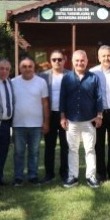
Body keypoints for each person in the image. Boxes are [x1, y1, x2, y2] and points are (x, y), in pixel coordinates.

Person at [60, 50, 103, 188]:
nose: (80, 63)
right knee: (72, 149)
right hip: (71, 121)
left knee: (90, 149)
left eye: (82, 60)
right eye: (77, 60)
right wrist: (62, 117)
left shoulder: (94, 78)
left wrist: (99, 115)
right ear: (73, 62)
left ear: (86, 61)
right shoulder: (66, 78)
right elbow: (62, 98)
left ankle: (91, 177)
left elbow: (99, 97)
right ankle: (73, 177)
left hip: (89, 121)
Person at [12, 57, 50, 185]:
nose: (27, 69)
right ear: (19, 68)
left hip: (36, 125)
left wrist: (46, 122)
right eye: (24, 66)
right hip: (18, 124)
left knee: (34, 152)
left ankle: (33, 176)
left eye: (30, 66)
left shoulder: (41, 82)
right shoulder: (13, 82)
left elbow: (45, 103)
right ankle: (18, 177)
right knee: (19, 153)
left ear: (34, 68)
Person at [90, 45, 110, 182]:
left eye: (109, 55)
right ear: (99, 58)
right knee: (99, 145)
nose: (106, 58)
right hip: (99, 114)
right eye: (103, 56)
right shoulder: (93, 72)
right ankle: (101, 174)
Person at [40, 50, 69, 183]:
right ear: (50, 61)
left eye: (59, 59)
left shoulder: (71, 75)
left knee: (65, 146)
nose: (57, 62)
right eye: (54, 59)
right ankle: (49, 174)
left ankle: (64, 173)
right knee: (49, 146)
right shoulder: (43, 77)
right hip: (49, 115)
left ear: (64, 60)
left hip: (65, 115)